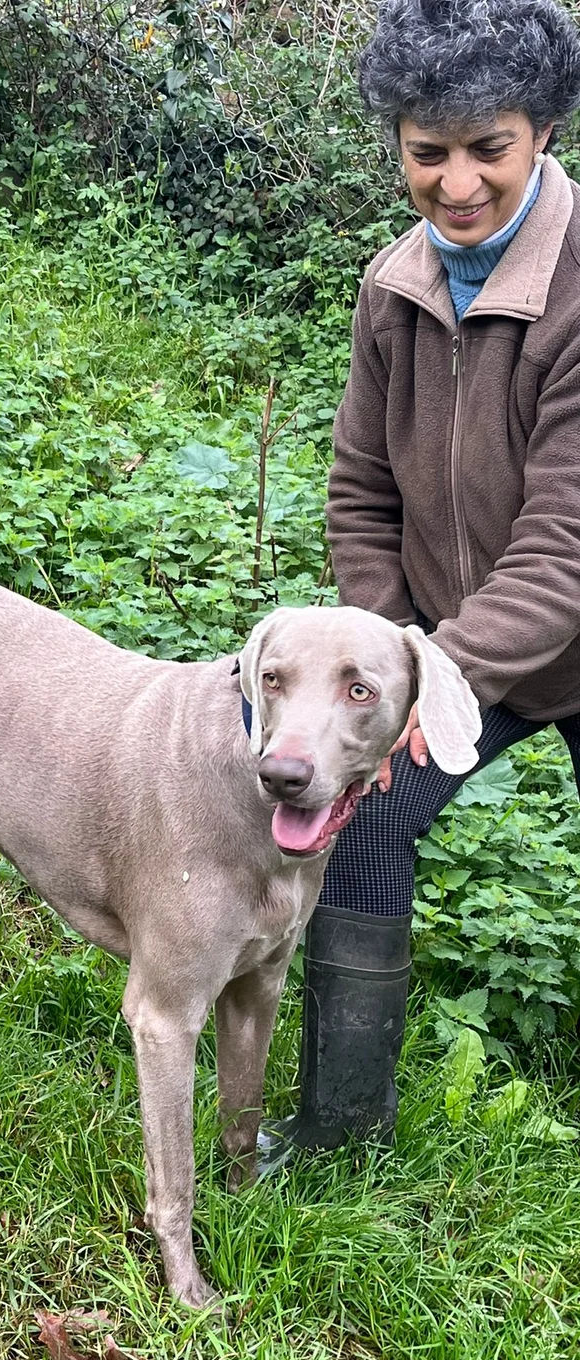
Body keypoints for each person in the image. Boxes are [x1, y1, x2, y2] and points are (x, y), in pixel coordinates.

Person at [265, 0, 580, 1159]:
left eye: (488, 147)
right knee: (361, 816)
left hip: (522, 633)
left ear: (544, 132)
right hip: (452, 646)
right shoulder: (392, 289)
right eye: (427, 151)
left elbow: (564, 547)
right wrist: (383, 674)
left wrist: (432, 676)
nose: (456, 184)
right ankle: (340, 1136)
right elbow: (362, 494)